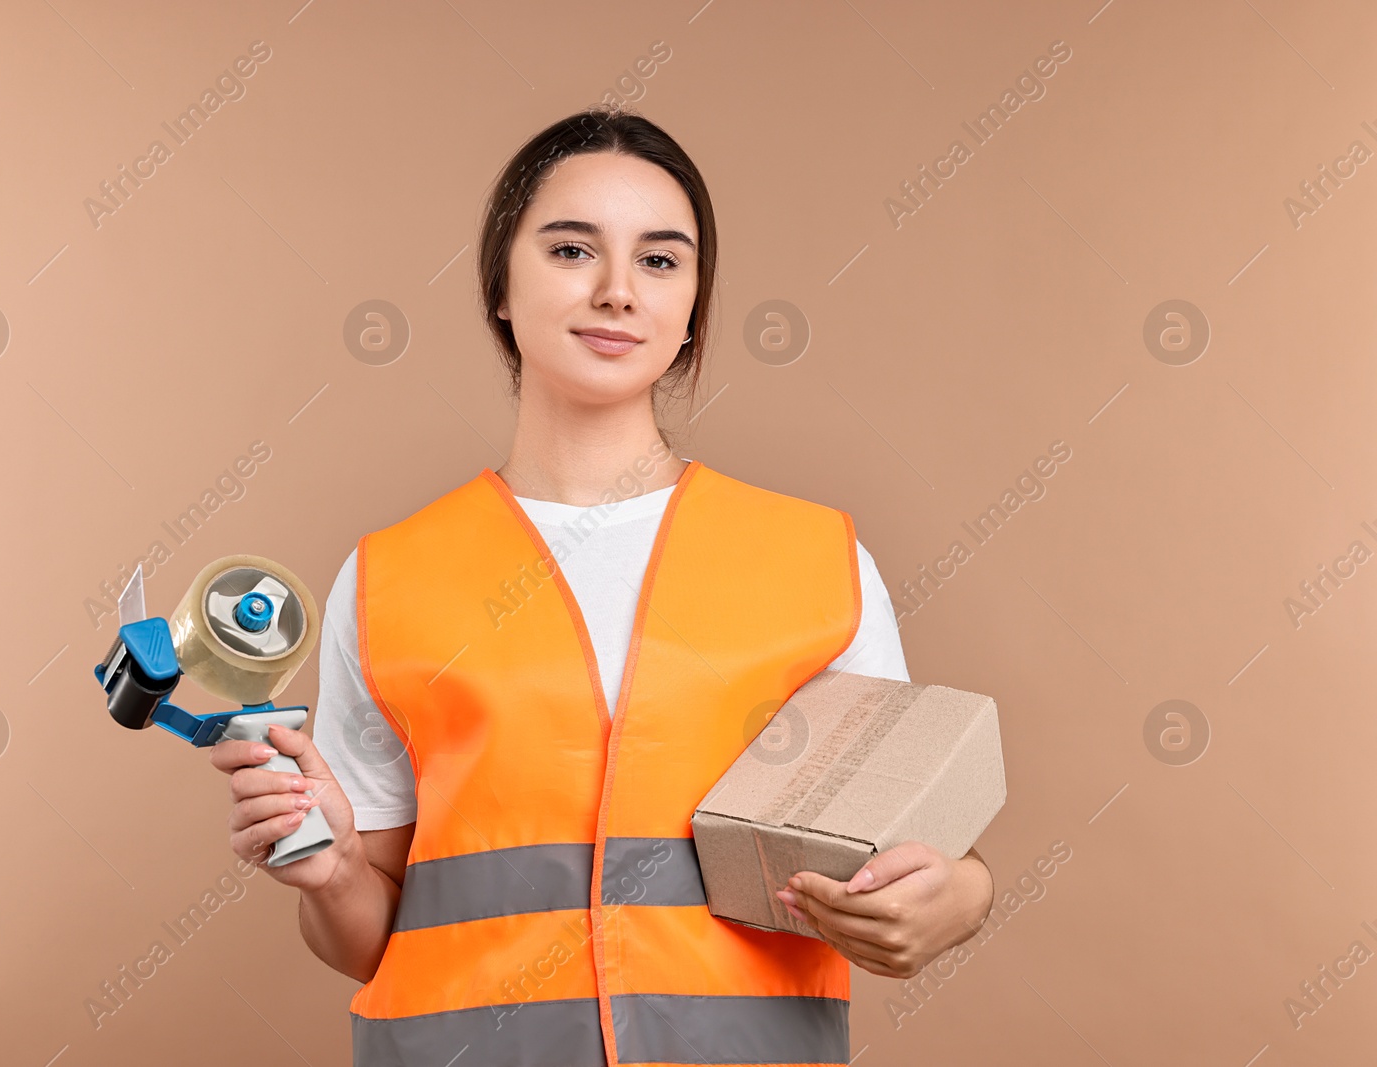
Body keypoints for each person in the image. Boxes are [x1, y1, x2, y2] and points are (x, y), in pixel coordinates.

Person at [210, 107, 995, 1066]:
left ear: (695, 306)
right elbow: (369, 938)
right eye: (573, 249)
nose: (619, 291)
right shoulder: (388, 579)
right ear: (501, 284)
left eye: (662, 261)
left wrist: (964, 895)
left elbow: (917, 855)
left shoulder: (816, 561)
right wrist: (331, 873)